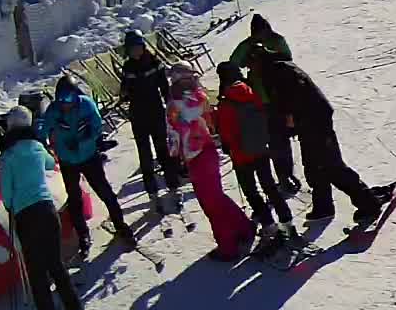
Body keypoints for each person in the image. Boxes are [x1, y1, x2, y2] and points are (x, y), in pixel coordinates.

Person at [252, 57, 392, 225]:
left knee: (332, 166)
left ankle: (368, 203)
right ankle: (323, 207)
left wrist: (286, 125)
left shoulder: (276, 75)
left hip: (316, 122)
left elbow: (287, 105)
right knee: (313, 166)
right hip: (310, 122)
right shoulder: (280, 68)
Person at [0, 106, 80, 310]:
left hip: (26, 216)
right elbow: (50, 164)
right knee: (56, 264)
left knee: (37, 272)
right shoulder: (36, 147)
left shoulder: (8, 157)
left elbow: (6, 196)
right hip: (47, 209)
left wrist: (14, 202)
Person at [167, 64, 253, 260]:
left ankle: (228, 246)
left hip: (199, 155)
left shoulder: (183, 101)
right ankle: (243, 227)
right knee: (215, 198)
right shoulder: (197, 96)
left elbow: (176, 130)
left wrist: (174, 156)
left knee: (211, 202)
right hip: (203, 153)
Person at [38, 75, 129, 254]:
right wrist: (45, 144)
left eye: (69, 98)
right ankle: (83, 235)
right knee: (74, 198)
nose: (65, 103)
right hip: (67, 160)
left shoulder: (86, 105)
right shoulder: (54, 111)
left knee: (104, 190)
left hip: (88, 156)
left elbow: (96, 128)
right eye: (61, 99)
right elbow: (43, 129)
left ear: (76, 95)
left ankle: (120, 224)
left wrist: (83, 141)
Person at [214, 61, 293, 250]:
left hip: (242, 156)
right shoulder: (250, 92)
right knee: (270, 187)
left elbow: (226, 132)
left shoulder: (226, 103)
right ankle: (287, 223)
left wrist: (227, 146)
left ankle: (269, 226)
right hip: (261, 149)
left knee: (251, 192)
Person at [230, 14, 300, 192]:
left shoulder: (277, 41)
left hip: (278, 97)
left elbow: (287, 60)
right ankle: (283, 176)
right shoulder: (249, 45)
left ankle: (287, 175)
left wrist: (266, 56)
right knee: (273, 141)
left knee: (281, 141)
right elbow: (233, 63)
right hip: (260, 101)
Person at [119, 31, 185, 213]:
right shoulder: (127, 67)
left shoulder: (154, 63)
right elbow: (124, 89)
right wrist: (124, 92)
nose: (135, 52)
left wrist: (170, 105)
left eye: (138, 47)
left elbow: (164, 86)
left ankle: (173, 187)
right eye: (132, 49)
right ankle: (152, 192)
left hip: (155, 111)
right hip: (138, 114)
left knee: (163, 150)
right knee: (145, 155)